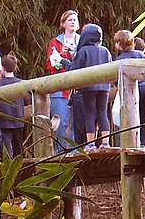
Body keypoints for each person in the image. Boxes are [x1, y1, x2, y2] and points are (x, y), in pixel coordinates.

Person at [68, 23, 113, 149]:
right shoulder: (106, 51)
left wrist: (65, 62)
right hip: (104, 88)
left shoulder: (83, 51)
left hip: (88, 88)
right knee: (103, 113)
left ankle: (90, 144)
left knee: (90, 114)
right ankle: (105, 143)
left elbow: (75, 69)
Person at [46, 10, 79, 154]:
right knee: (60, 122)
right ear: (63, 24)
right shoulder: (55, 42)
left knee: (77, 122)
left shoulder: (83, 39)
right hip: (60, 87)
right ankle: (61, 152)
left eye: (75, 19)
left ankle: (76, 151)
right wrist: (61, 55)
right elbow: (51, 65)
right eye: (69, 19)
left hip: (78, 86)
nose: (72, 22)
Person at [113, 29, 145, 146]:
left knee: (130, 119)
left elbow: (117, 81)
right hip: (144, 88)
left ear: (119, 45)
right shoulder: (140, 54)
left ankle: (132, 143)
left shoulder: (119, 60)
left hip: (129, 92)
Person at [0, 54, 27, 158]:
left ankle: (7, 166)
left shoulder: (0, 84)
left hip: (4, 119)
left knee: (6, 146)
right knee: (18, 145)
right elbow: (26, 100)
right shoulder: (21, 83)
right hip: (18, 118)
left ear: (2, 67)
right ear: (15, 67)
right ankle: (20, 165)